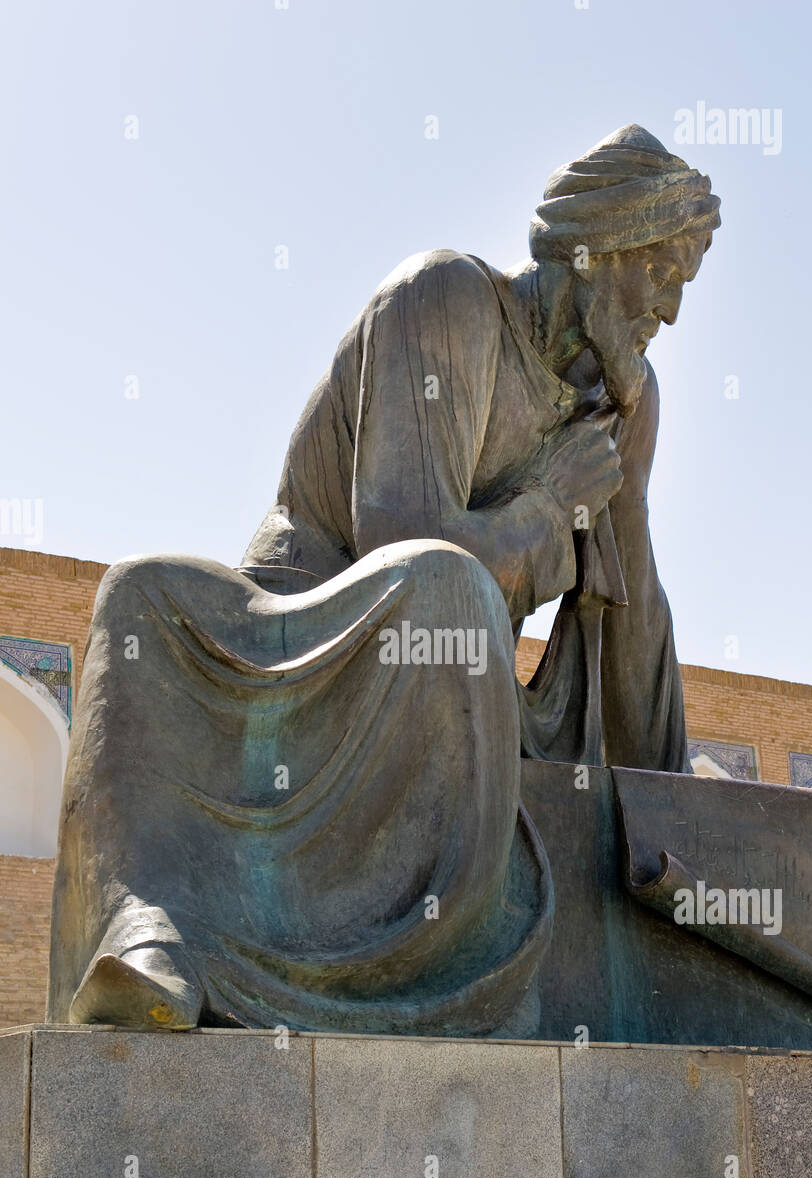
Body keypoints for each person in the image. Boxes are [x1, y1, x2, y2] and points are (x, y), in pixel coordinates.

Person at [49, 124, 720, 1035]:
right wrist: (547, 503)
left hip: (458, 687)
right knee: (139, 595)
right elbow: (398, 544)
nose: (670, 313)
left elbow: (634, 711)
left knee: (451, 599)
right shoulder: (444, 300)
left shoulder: (621, 400)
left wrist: (624, 510)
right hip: (305, 624)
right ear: (596, 245)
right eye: (663, 274)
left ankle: (423, 970)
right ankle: (150, 938)